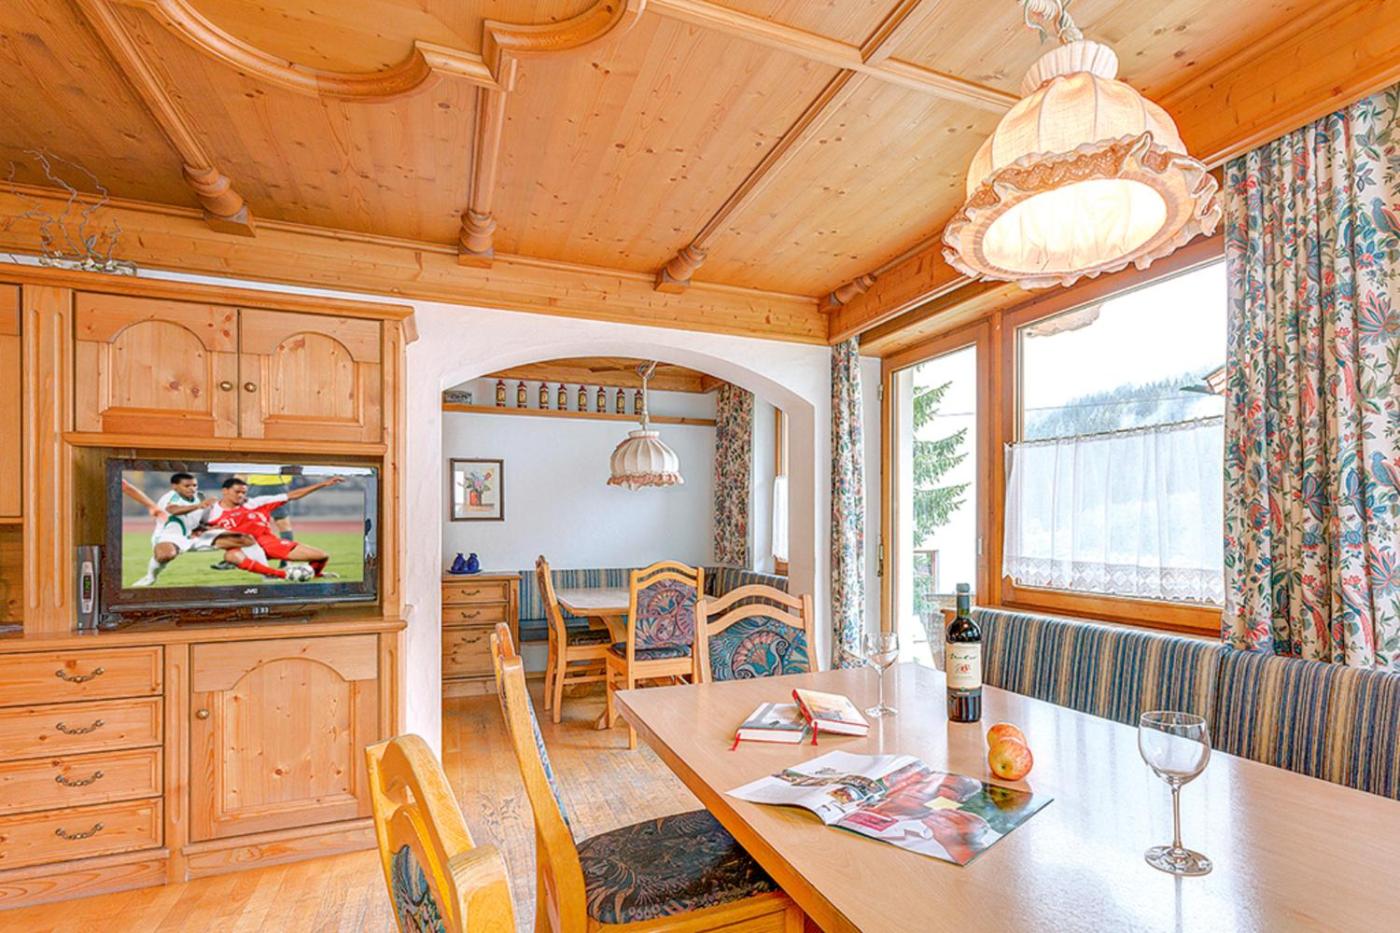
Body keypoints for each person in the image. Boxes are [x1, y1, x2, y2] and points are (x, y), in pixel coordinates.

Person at [201, 476, 345, 581]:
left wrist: (323, 484)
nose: (241, 495)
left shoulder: (257, 503)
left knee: (322, 556)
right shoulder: (212, 511)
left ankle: (314, 575)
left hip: (269, 543)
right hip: (244, 548)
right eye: (237, 492)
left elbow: (292, 495)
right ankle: (277, 575)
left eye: (243, 492)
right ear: (225, 491)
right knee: (231, 556)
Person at [123, 474, 213, 587]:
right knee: (165, 555)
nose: (192, 488)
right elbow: (173, 510)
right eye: (187, 486)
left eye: (194, 485)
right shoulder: (172, 497)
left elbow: (204, 516)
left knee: (232, 538)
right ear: (175, 486)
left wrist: (202, 527)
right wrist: (198, 506)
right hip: (170, 535)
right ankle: (150, 577)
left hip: (192, 535)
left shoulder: (200, 496)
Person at [209, 472, 296, 570]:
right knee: (240, 523)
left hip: (275, 483)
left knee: (282, 523)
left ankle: (286, 562)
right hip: (258, 484)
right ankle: (235, 558)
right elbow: (242, 471)